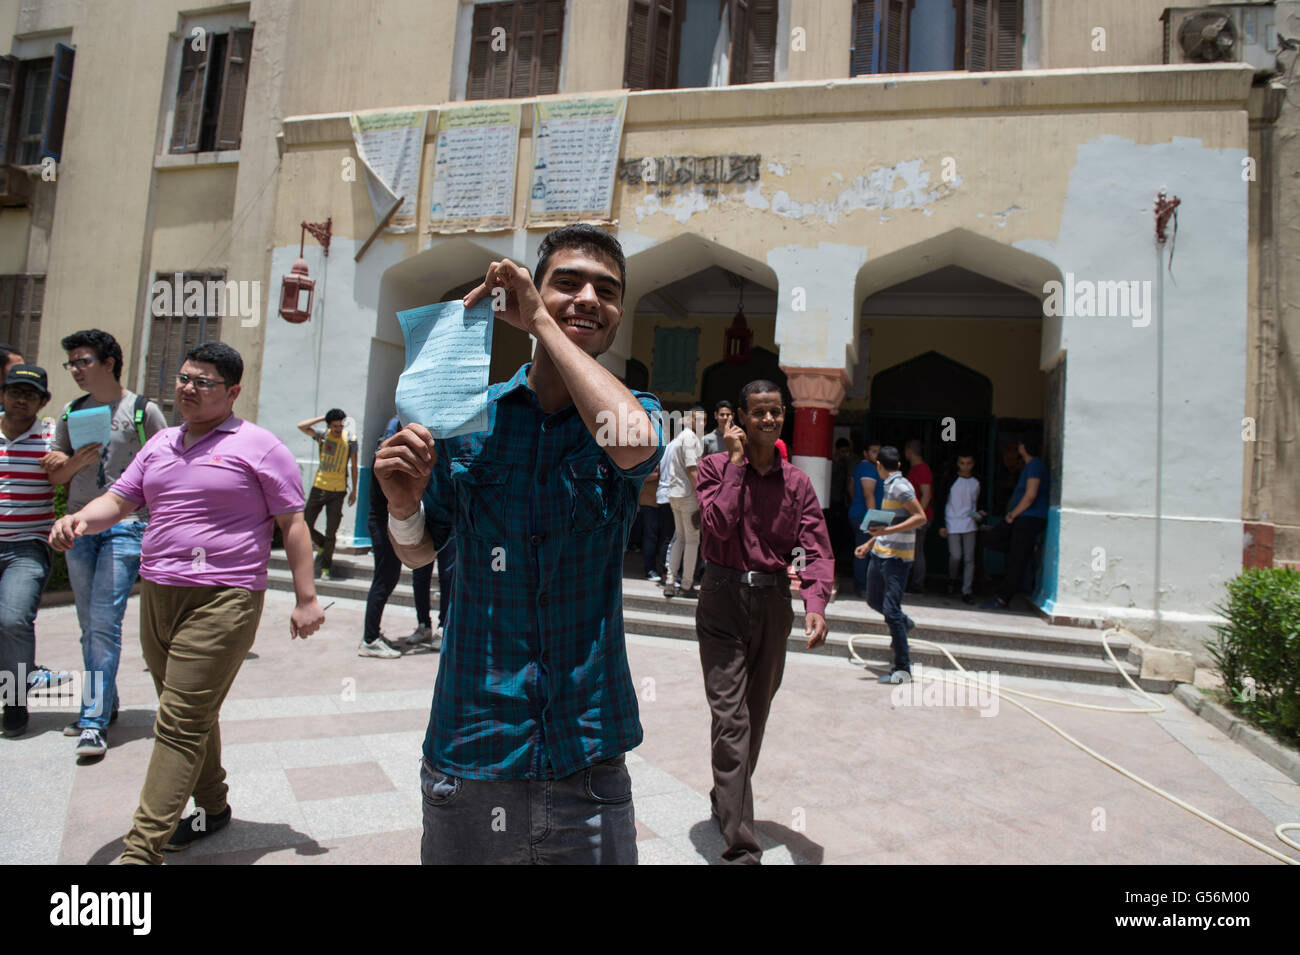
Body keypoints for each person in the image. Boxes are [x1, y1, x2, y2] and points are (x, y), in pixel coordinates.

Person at [375, 224, 661, 865]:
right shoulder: (468, 418)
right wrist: (401, 506)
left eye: (607, 291)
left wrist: (543, 323)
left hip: (586, 752)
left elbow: (634, 444)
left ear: (619, 314)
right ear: (537, 287)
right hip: (475, 742)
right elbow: (423, 551)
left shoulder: (634, 411)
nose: (589, 296)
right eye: (567, 282)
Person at [49, 343, 325, 864]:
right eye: (184, 379)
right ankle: (213, 808)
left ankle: (140, 851)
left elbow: (293, 522)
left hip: (225, 597)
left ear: (233, 392)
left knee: (176, 721)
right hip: (159, 592)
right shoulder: (159, 445)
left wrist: (306, 598)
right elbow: (121, 499)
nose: (188, 389)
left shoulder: (260, 446)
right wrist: (81, 518)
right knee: (189, 711)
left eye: (203, 382)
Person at [695, 379, 832, 865]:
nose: (769, 420)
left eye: (776, 412)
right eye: (759, 413)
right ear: (741, 420)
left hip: (773, 603)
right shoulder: (713, 468)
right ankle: (742, 848)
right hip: (721, 598)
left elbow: (814, 545)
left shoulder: (797, 483)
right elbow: (716, 527)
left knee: (754, 716)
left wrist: (815, 604)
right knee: (730, 720)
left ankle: (725, 798)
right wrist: (734, 465)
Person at [39, 330, 167, 758]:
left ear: (109, 362)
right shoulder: (71, 411)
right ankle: (105, 703)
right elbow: (55, 476)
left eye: (83, 360)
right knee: (87, 624)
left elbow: (166, 471)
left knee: (104, 622)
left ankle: (92, 719)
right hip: (79, 528)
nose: (75, 369)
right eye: (71, 363)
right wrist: (77, 461)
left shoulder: (142, 411)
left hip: (127, 526)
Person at [0, 365, 63, 738]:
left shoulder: (52, 439)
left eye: (29, 394)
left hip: (27, 545)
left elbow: (73, 471)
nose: (20, 398)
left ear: (42, 401)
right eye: (13, 391)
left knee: (12, 621)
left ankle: (15, 698)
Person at [359, 415, 436, 659]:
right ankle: (370, 639)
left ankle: (373, 636)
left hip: (392, 523)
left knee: (388, 579)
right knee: (384, 579)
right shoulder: (387, 455)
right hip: (384, 525)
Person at [854, 445, 927, 685]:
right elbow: (889, 521)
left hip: (897, 557)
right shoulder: (889, 485)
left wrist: (887, 531)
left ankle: (903, 669)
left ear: (879, 466)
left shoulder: (902, 486)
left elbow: (920, 517)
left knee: (891, 611)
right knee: (874, 600)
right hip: (880, 553)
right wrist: (871, 543)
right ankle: (905, 624)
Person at [981, 436, 1049, 611]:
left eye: (1019, 443)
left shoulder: (1034, 465)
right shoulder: (1031, 465)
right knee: (1004, 547)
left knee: (1015, 559)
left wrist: (1013, 515)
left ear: (1024, 446)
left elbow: (1031, 494)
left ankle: (1003, 599)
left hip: (1027, 518)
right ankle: (1027, 548)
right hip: (1025, 518)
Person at [297, 408, 357, 580]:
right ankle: (321, 543)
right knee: (304, 522)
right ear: (329, 425)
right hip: (319, 487)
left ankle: (325, 568)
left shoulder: (351, 440)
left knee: (332, 531)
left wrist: (354, 490)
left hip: (338, 492)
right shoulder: (322, 436)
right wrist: (325, 416)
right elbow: (301, 426)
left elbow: (354, 466)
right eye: (335, 426)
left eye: (340, 425)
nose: (338, 429)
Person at [665, 406, 705, 599]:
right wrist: (702, 496)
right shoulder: (689, 439)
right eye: (698, 419)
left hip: (675, 494)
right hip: (688, 495)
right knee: (691, 541)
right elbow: (692, 470)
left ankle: (670, 581)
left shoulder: (681, 437)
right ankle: (687, 584)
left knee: (679, 538)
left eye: (704, 420)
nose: (701, 424)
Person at [939, 451, 984, 605]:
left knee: (969, 559)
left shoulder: (977, 482)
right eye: (962, 463)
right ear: (957, 464)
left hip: (970, 522)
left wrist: (980, 514)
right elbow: (941, 501)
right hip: (952, 521)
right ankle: (952, 579)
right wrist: (941, 524)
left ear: (973, 464)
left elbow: (979, 504)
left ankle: (967, 590)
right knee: (956, 556)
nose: (965, 467)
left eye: (968, 463)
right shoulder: (950, 480)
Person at [848, 440, 882, 596]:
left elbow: (851, 489)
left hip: (859, 513)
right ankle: (863, 587)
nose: (877, 455)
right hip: (865, 516)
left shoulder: (860, 468)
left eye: (879, 451)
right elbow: (869, 494)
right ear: (865, 453)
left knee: (863, 550)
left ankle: (863, 585)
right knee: (864, 551)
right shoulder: (868, 468)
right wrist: (874, 519)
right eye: (874, 451)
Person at [903, 439, 933, 593]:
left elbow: (926, 495)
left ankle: (916, 585)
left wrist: (917, 516)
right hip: (915, 518)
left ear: (909, 451)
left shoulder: (921, 469)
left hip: (919, 519)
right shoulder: (915, 469)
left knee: (916, 552)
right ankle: (913, 583)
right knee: (913, 551)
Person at [637, 464, 662, 581]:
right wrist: (660, 474)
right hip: (649, 501)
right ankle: (649, 569)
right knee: (650, 536)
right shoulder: (651, 454)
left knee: (660, 537)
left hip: (662, 501)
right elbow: (641, 476)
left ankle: (661, 570)